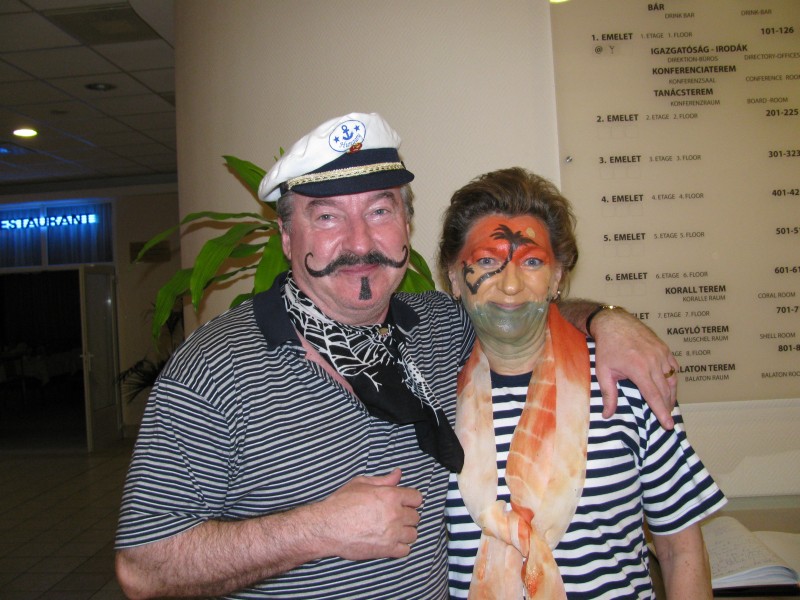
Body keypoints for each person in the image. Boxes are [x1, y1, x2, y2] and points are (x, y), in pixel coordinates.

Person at [115, 113, 680, 599]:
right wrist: (316, 529)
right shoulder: (216, 366)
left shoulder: (436, 327)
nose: (360, 242)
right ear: (287, 237)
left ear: (406, 225)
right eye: (327, 216)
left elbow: (519, 301)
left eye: (380, 212)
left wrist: (608, 319)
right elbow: (142, 567)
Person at [439, 167, 726, 599]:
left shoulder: (627, 379)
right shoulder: (430, 397)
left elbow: (680, 550)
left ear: (557, 278)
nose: (511, 284)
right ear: (454, 277)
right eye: (486, 262)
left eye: (532, 262)